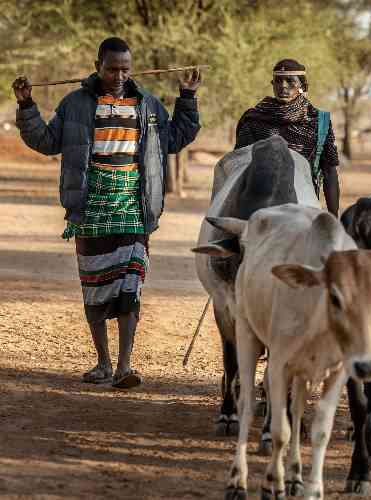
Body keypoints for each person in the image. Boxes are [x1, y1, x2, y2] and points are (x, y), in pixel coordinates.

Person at [12, 37, 202, 389]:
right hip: (90, 206)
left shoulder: (147, 105)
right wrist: (27, 106)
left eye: (125, 69)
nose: (119, 75)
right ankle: (102, 362)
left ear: (133, 68)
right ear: (98, 65)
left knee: (132, 283)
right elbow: (45, 141)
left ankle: (125, 366)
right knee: (96, 286)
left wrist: (187, 98)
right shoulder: (75, 104)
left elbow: (175, 138)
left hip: (135, 204)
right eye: (112, 68)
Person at [235, 59, 340, 215]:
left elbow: (329, 171)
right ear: (272, 84)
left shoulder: (318, 121)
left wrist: (333, 218)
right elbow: (239, 164)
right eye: (278, 81)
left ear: (303, 86)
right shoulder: (254, 119)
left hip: (304, 203)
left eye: (290, 81)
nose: (283, 86)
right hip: (257, 201)